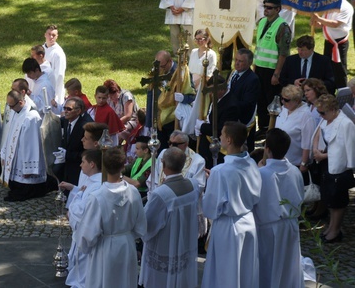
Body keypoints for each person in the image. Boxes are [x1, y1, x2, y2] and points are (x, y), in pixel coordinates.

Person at [74, 146, 146, 288]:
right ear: (123, 166)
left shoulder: (97, 197)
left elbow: (87, 234)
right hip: (127, 245)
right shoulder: (133, 192)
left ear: (104, 167)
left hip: (105, 248)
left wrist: (84, 246)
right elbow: (140, 225)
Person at [201, 121, 262, 288]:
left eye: (221, 134)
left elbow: (210, 208)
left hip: (228, 226)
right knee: (245, 271)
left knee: (226, 273)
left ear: (228, 140)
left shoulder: (221, 171)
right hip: (248, 221)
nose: (219, 136)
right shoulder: (251, 163)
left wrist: (211, 183)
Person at [139, 147, 200, 288]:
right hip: (184, 244)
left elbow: (147, 224)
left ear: (163, 164)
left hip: (164, 247)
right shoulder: (194, 184)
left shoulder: (161, 194)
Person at [254, 128, 305, 288]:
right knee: (287, 266)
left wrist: (258, 170)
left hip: (269, 227)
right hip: (290, 225)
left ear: (267, 149)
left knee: (270, 267)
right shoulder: (295, 171)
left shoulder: (262, 174)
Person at [59, 148, 103, 288]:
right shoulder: (92, 181)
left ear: (92, 164)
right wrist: (75, 189)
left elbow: (83, 210)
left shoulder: (97, 184)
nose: (80, 165)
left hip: (88, 231)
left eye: (83, 162)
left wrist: (71, 210)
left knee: (85, 265)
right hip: (84, 229)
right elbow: (84, 197)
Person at [314, 94, 355, 243]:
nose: (321, 115)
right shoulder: (326, 119)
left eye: (323, 113)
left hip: (339, 166)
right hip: (327, 164)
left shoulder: (345, 123)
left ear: (332, 109)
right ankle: (331, 226)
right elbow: (318, 134)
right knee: (329, 198)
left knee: (338, 200)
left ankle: (336, 230)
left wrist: (323, 156)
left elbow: (349, 149)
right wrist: (316, 151)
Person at [0, 89, 52, 201]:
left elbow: (33, 144)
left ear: (20, 102)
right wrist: (4, 153)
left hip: (24, 155)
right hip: (15, 153)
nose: (10, 109)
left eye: (12, 105)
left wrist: (29, 169)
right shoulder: (16, 112)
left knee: (26, 182)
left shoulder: (31, 117)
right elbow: (8, 134)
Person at [255, 0, 292, 136]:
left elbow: (283, 53)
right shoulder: (262, 22)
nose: (266, 10)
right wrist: (255, 65)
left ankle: (272, 128)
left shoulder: (282, 26)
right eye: (265, 7)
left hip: (272, 69)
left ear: (278, 9)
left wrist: (277, 73)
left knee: (272, 100)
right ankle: (263, 127)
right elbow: (260, 46)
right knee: (261, 99)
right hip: (260, 67)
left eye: (270, 8)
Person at [311, 0, 353, 89]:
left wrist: (319, 19)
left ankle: (342, 92)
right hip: (329, 41)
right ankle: (329, 90)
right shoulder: (330, 5)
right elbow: (327, 22)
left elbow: (336, 24)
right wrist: (317, 23)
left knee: (339, 69)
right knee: (327, 68)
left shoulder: (346, 7)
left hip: (339, 43)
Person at [42, 25, 66, 105]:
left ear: (57, 37)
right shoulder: (41, 49)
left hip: (53, 90)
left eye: (53, 35)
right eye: (49, 34)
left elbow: (59, 75)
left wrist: (54, 94)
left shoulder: (58, 53)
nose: (51, 37)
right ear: (45, 35)